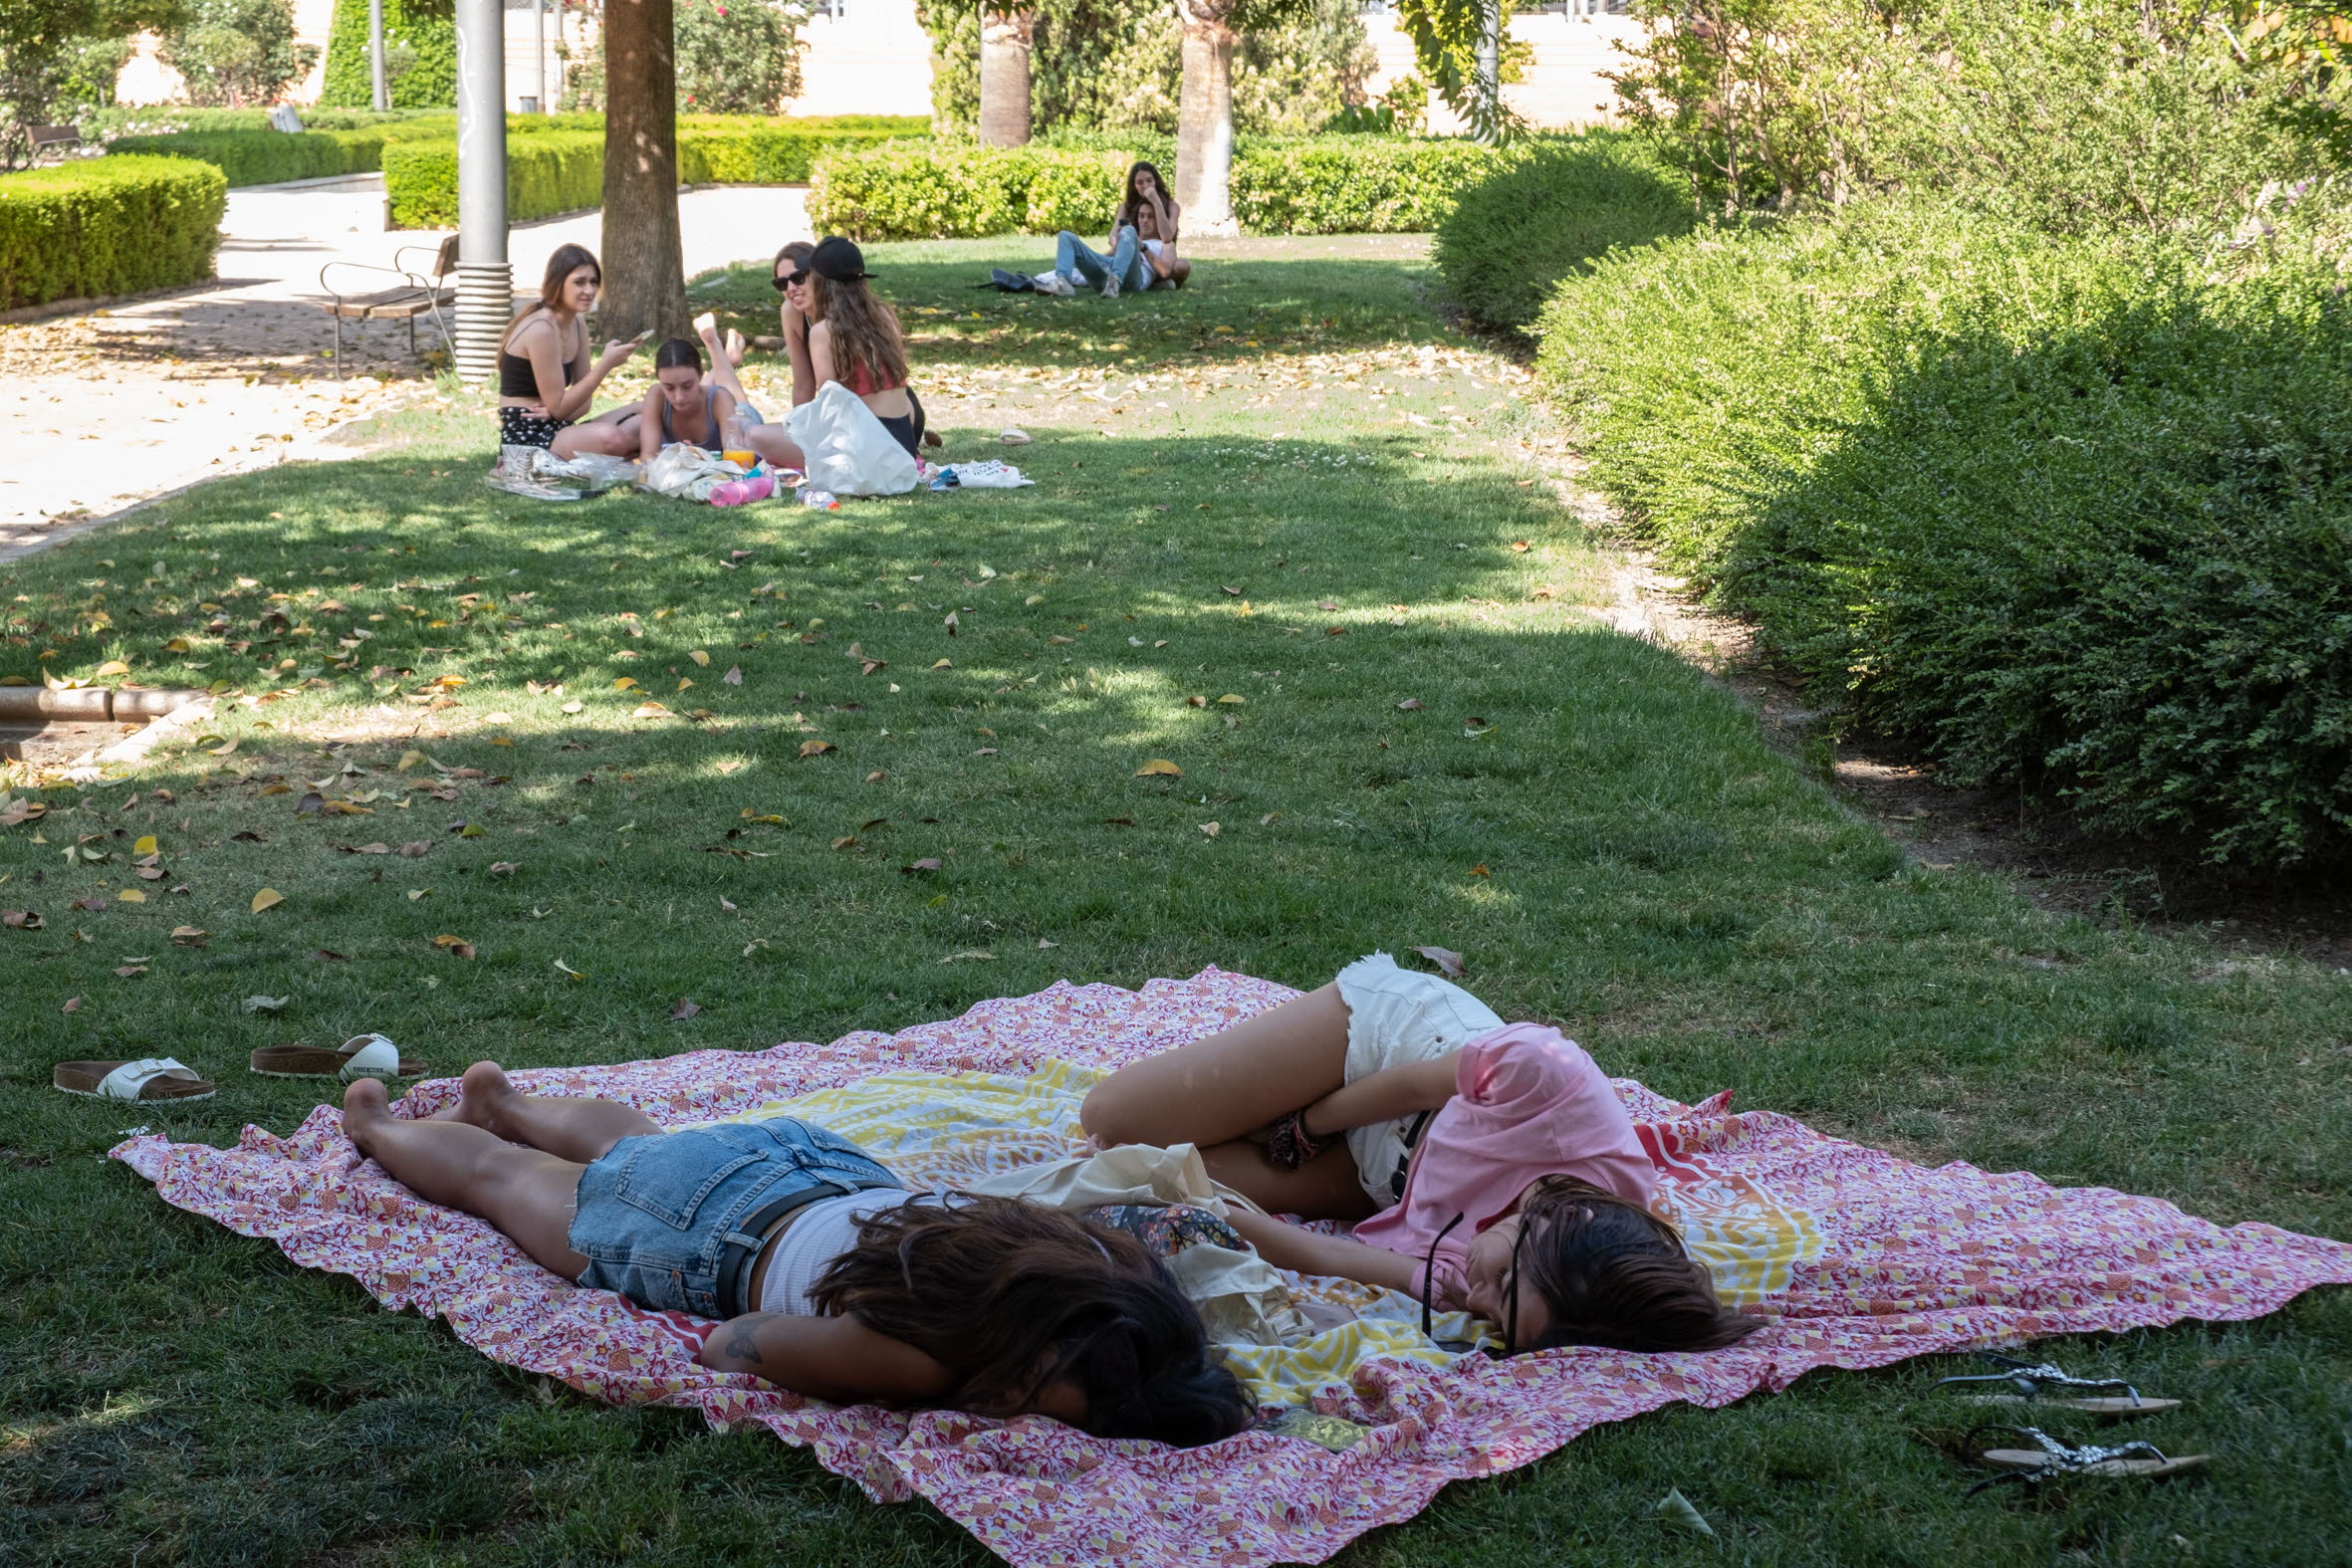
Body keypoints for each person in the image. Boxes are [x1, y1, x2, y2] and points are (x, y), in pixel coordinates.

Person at [341, 1063, 1254, 1448]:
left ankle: (506, 1097)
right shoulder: (915, 1352)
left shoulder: (1075, 1263)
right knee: (502, 1184)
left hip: (819, 1162)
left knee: (651, 1146)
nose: (1025, 1412)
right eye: (1051, 1400)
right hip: (714, 1230)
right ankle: (379, 1122)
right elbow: (736, 1343)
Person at [1080, 953, 1761, 1356]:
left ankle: (1253, 1119)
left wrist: (1227, 1217)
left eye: (1493, 1317)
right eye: (1498, 1286)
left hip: (1387, 1179)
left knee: (1139, 1170)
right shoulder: (1548, 1081)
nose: (1477, 1295)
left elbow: (1327, 1254)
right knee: (1111, 1118)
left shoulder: (1532, 1284)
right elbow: (1413, 1082)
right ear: (1548, 1221)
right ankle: (1270, 1108)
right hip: (1384, 1060)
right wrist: (1307, 1125)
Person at [495, 243, 644, 460]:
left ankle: (620, 455)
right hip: (528, 435)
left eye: (593, 282)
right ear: (557, 284)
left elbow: (583, 402)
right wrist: (605, 365)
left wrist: (557, 410)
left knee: (646, 412)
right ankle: (619, 455)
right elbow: (564, 406)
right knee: (611, 437)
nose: (589, 290)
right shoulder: (541, 329)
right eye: (579, 282)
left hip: (559, 425)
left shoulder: (576, 323)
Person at [800, 236, 928, 460]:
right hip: (903, 444)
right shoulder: (885, 315)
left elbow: (829, 401)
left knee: (756, 436)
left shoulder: (822, 331)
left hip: (864, 451)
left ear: (821, 283)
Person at [1036, 160, 1187, 299]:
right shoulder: (1127, 207)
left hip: (1134, 275)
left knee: (1130, 233)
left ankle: (1116, 283)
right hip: (1114, 264)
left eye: (1149, 180)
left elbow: (1167, 244)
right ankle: (1062, 282)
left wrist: (1141, 246)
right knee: (1066, 236)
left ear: (1156, 181)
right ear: (1133, 186)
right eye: (1140, 182)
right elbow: (1113, 238)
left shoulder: (1166, 238)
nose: (1145, 186)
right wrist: (1124, 246)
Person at [629, 337, 739, 462]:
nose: (679, 397)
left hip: (738, 411)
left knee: (733, 393)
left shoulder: (721, 399)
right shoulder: (656, 395)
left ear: (700, 374)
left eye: (687, 386)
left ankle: (719, 348)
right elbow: (648, 457)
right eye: (669, 388)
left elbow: (736, 460)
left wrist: (693, 458)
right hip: (703, 397)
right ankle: (727, 358)